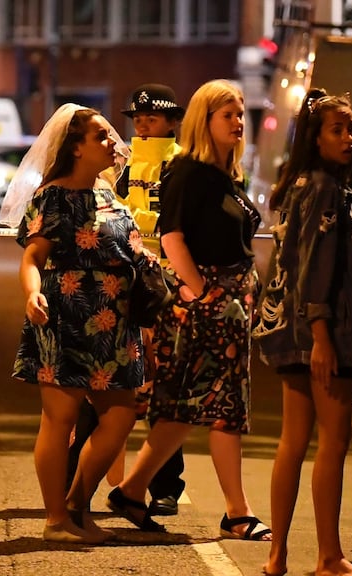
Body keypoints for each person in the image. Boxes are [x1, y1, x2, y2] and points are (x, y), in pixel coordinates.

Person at [106, 79, 270, 540]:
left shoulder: (225, 174)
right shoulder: (188, 171)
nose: (238, 122)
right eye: (228, 115)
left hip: (230, 302)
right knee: (215, 406)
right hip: (208, 303)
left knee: (194, 406)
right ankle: (236, 512)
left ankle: (134, 490)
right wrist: (203, 293)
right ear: (205, 120)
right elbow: (172, 237)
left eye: (241, 114)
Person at [253, 89, 352, 576]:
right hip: (321, 334)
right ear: (316, 137)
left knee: (294, 440)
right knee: (334, 440)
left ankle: (278, 555)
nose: (350, 137)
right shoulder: (325, 189)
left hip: (297, 331)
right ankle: (329, 556)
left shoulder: (303, 186)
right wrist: (322, 334)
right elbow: (314, 267)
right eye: (338, 129)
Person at [0, 103, 145, 544]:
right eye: (101, 136)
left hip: (115, 322)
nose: (112, 142)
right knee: (59, 420)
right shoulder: (52, 197)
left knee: (121, 416)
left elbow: (131, 248)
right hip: (65, 314)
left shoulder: (108, 194)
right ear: (76, 148)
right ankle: (55, 518)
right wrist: (32, 292)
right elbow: (32, 258)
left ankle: (78, 505)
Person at [65, 84, 187, 517]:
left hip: (167, 281)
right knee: (103, 382)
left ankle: (164, 484)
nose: (143, 126)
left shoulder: (183, 162)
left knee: (164, 387)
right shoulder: (120, 163)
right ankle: (71, 482)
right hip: (122, 280)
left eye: (152, 119)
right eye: (138, 119)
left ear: (173, 121)